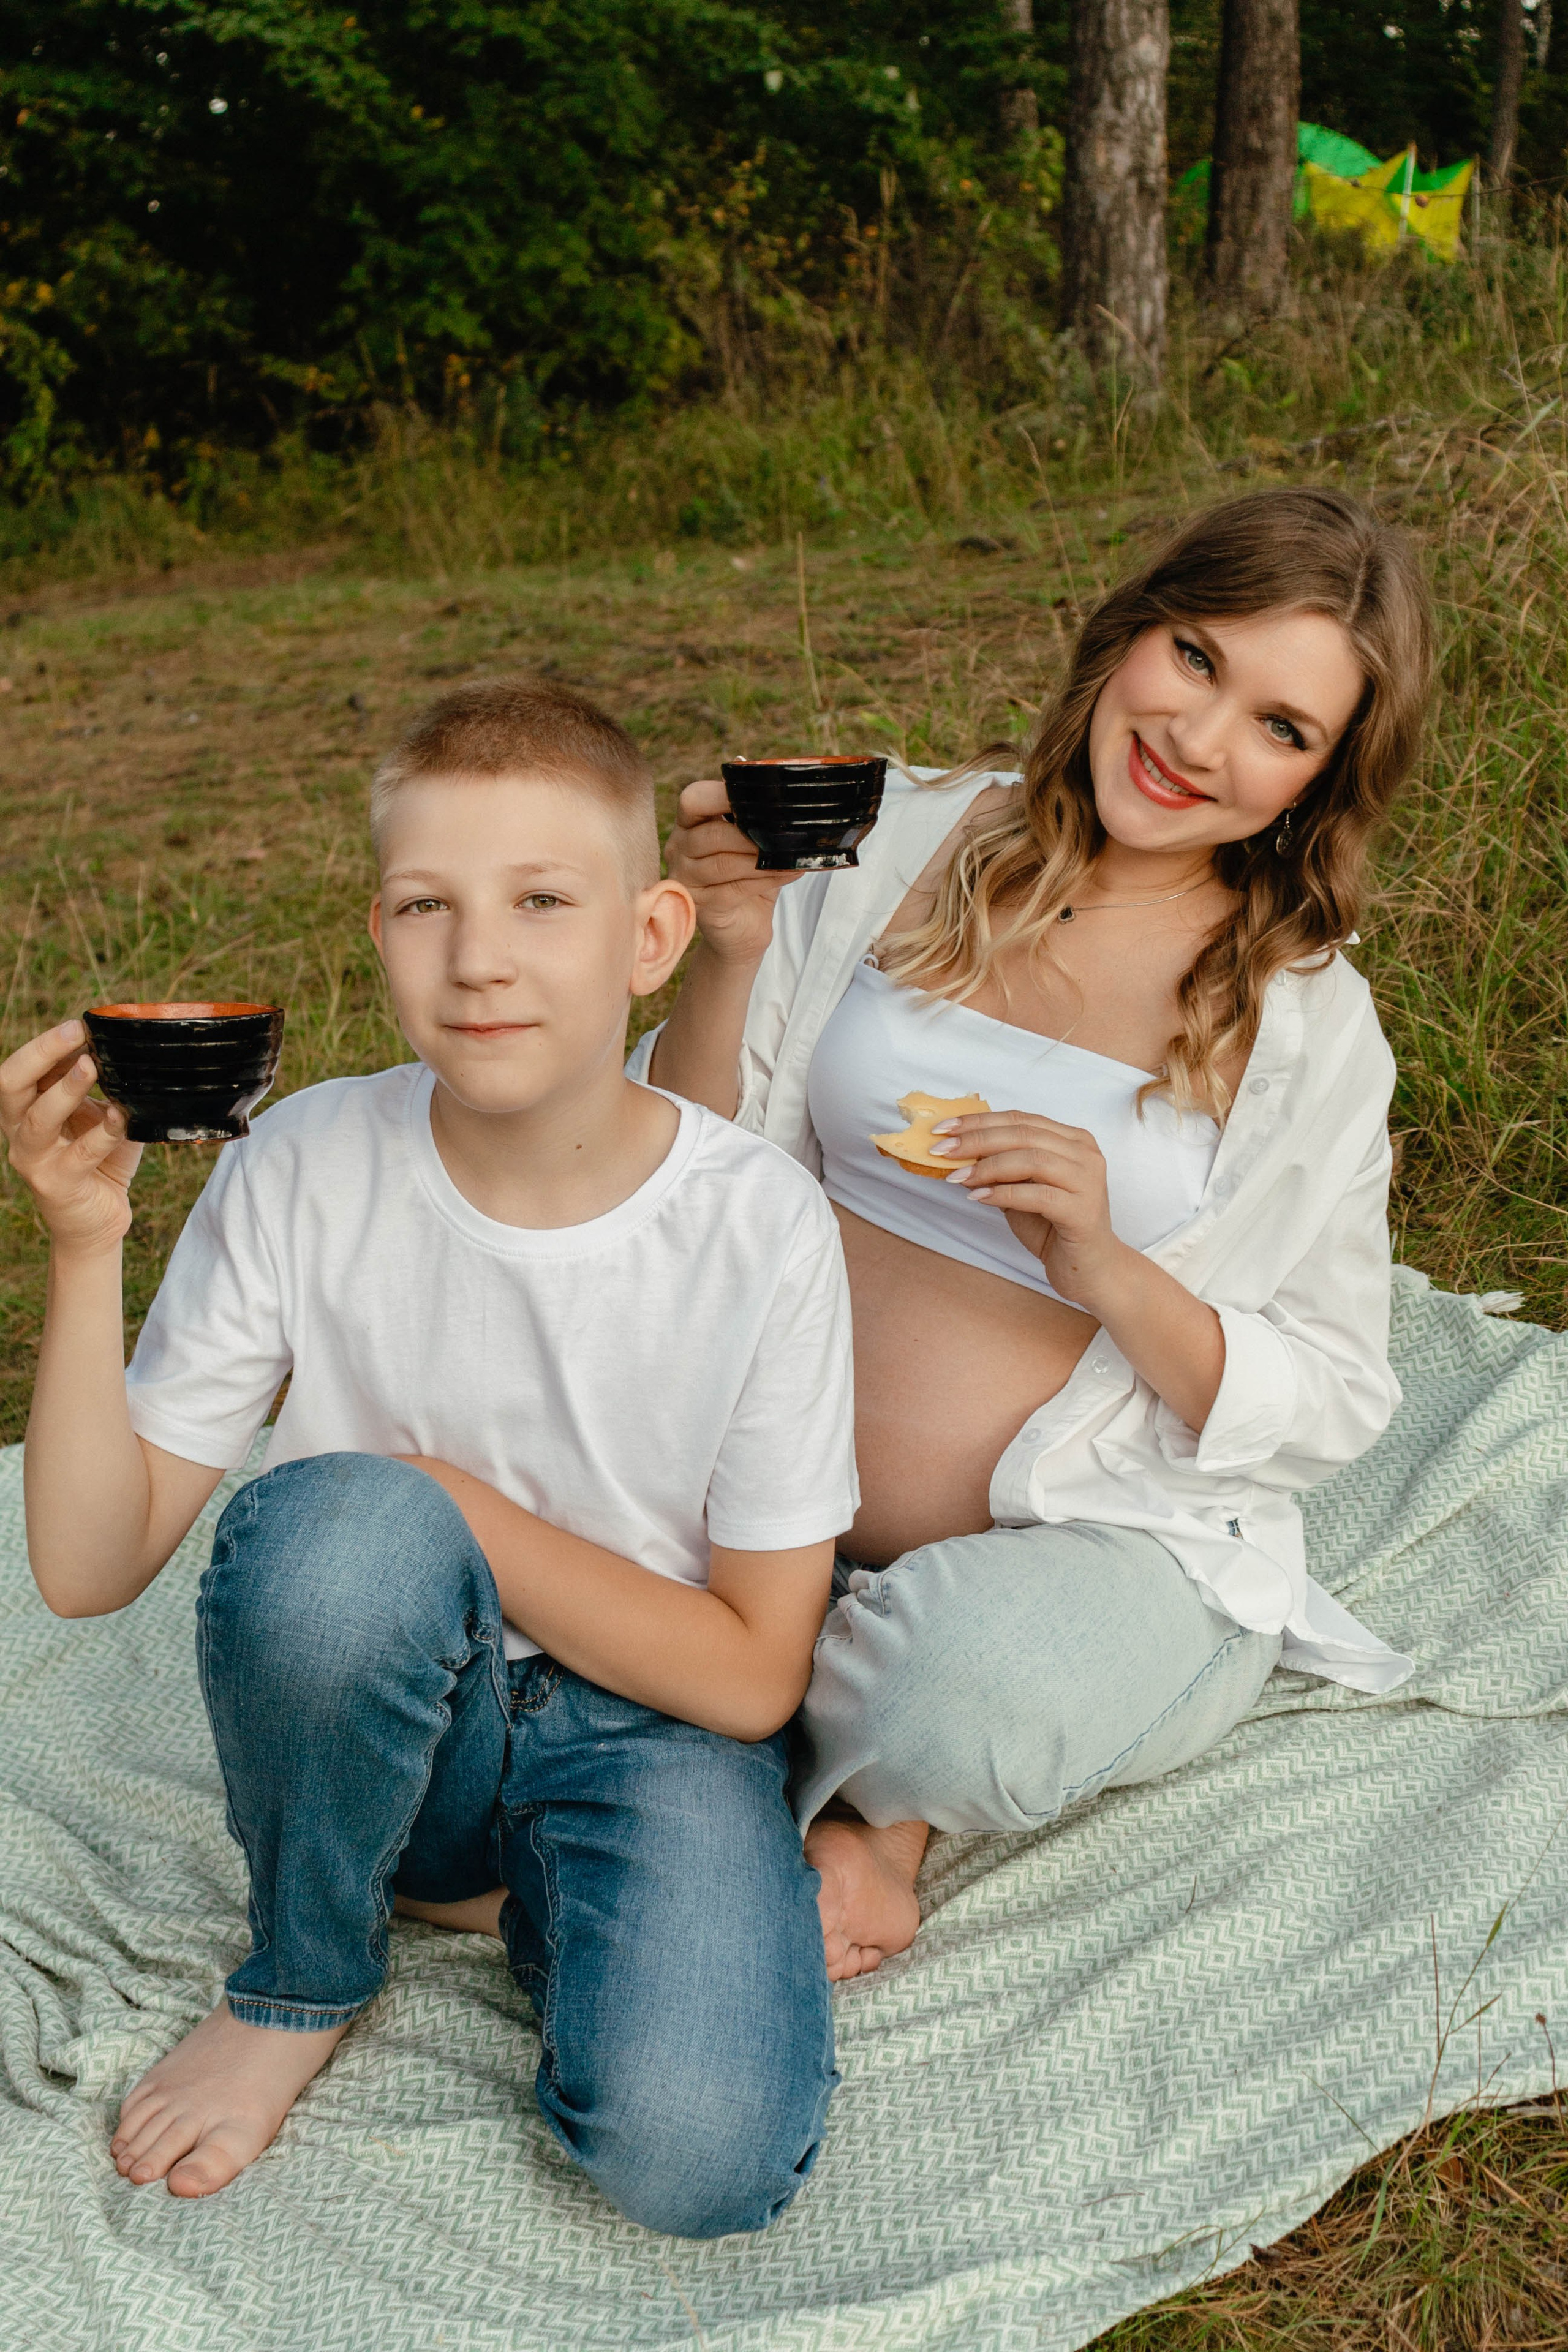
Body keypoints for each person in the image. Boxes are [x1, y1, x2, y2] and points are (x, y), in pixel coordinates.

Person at [0, 680, 859, 2233]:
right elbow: (84, 1561)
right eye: (426, 906)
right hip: (411, 1704)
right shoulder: (304, 1166)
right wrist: (86, 1242)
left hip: (653, 1730)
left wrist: (458, 1501)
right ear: (378, 931)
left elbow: (748, 1683)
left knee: (699, 2157)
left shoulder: (760, 1226)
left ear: (651, 935)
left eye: (543, 900)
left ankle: (500, 1894)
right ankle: (307, 1974)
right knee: (341, 1536)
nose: (480, 960)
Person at [640, 488, 1433, 1981]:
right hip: (741, 1494)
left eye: (1279, 727)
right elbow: (671, 1172)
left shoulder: (1303, 1027)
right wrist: (727, 959)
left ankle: (856, 1788)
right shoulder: (891, 842)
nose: (1197, 741)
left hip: (1075, 1537)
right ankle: (794, 1736)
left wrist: (1104, 1267)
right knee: (461, 1514)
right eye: (1194, 659)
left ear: (1317, 784)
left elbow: (1328, 1391)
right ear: (1128, 631)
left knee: (966, 1692)